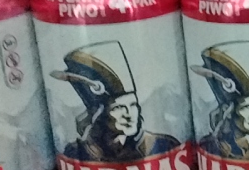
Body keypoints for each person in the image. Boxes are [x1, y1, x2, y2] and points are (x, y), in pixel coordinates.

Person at [51, 41, 179, 162]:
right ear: (99, 114)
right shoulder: (75, 152)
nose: (129, 114)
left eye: (133, 105)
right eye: (118, 108)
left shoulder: (164, 146)